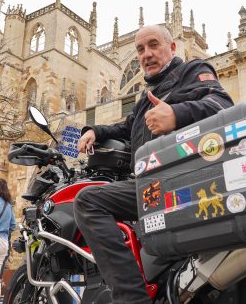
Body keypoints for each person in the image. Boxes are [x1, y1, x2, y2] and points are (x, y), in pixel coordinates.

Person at [74, 25, 234, 303]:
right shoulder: (147, 97)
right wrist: (96, 131)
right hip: (155, 182)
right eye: (140, 49)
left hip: (180, 179)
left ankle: (131, 298)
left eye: (153, 45)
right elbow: (126, 127)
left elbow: (222, 105)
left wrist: (176, 114)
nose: (146, 54)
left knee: (88, 201)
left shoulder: (191, 71)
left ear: (173, 48)